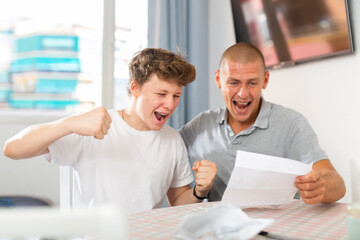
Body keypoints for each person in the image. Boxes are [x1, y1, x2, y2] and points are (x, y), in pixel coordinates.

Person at [3, 48, 217, 214]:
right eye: (161, 94)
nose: (170, 105)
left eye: (176, 96)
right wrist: (67, 124)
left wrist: (200, 191)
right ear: (135, 88)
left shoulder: (172, 140)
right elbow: (12, 149)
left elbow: (178, 200)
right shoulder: (93, 126)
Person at [179, 42, 345, 205]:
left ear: (265, 80)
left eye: (252, 83)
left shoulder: (291, 123)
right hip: (221, 228)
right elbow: (165, 147)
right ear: (218, 80)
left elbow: (337, 184)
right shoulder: (200, 125)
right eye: (233, 82)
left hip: (278, 227)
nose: (243, 94)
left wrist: (320, 186)